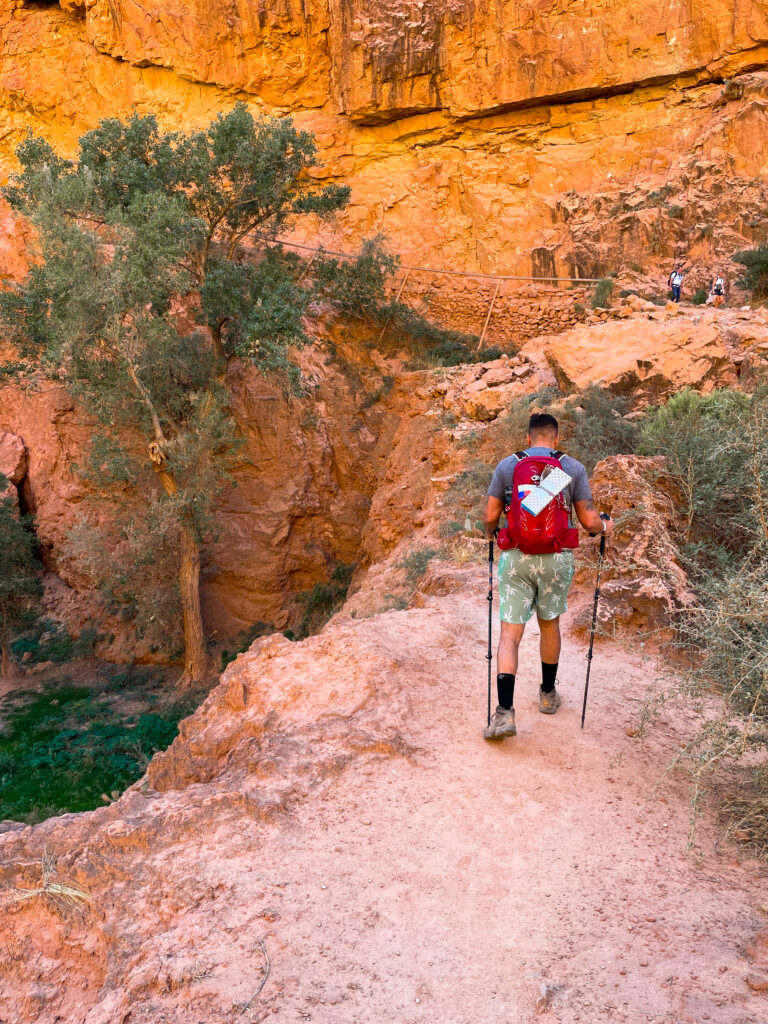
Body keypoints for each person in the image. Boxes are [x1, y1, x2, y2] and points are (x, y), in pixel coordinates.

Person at [481, 412, 613, 740]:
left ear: (528, 438)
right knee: (549, 623)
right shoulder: (572, 468)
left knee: (510, 634)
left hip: (516, 557)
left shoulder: (507, 466)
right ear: (557, 439)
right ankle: (547, 695)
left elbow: (489, 516)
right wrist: (606, 526)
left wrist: (489, 534)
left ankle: (504, 714)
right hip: (555, 558)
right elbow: (589, 521)